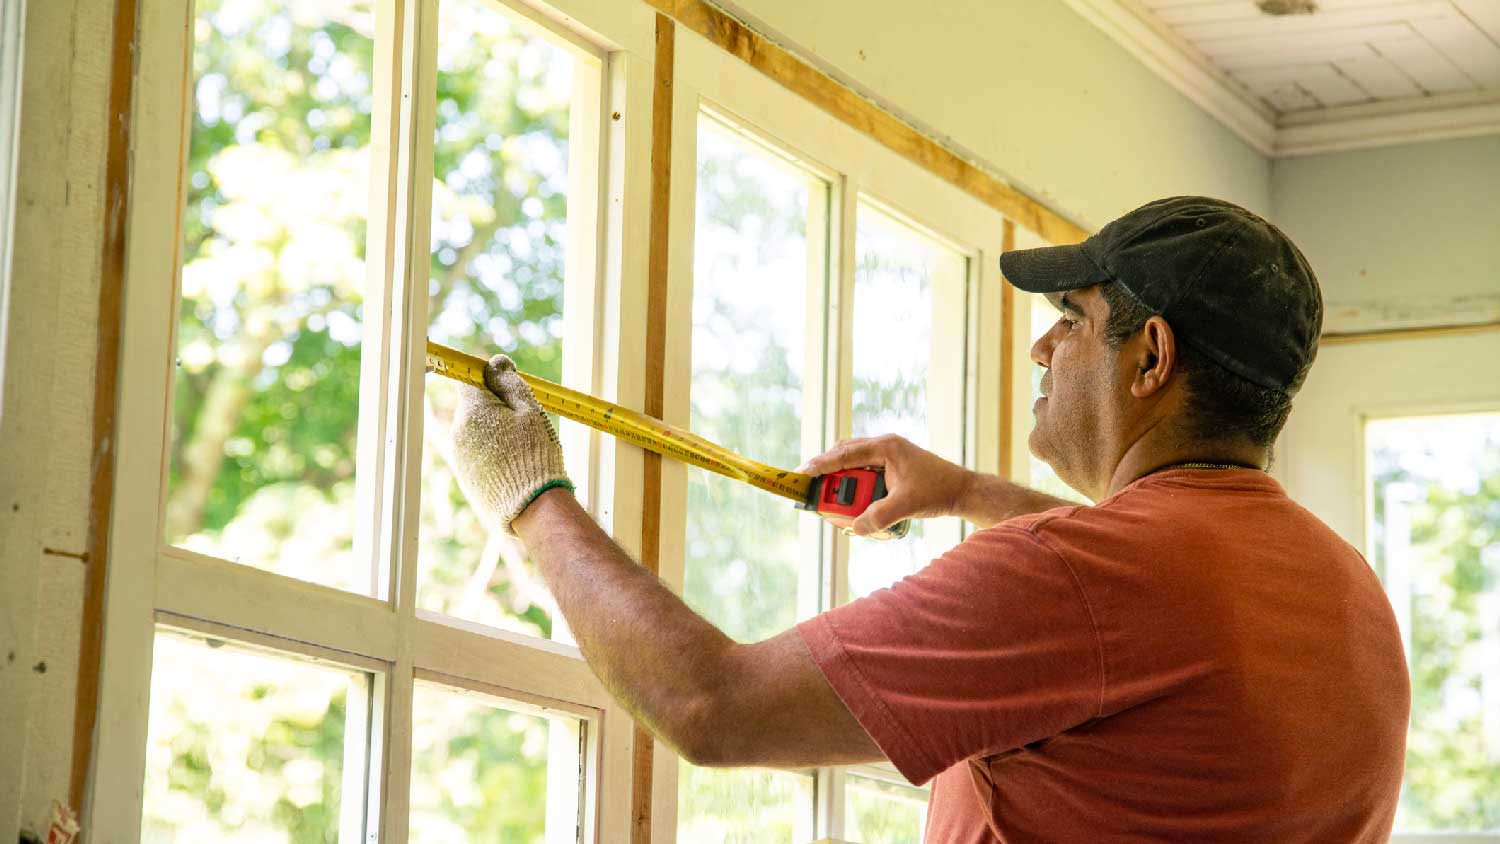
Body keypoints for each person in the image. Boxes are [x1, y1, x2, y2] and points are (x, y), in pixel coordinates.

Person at [452, 196, 1410, 843]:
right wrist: (966, 495)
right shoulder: (1340, 585)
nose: (1042, 346)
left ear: (1150, 357)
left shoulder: (1085, 577)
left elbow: (716, 708)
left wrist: (529, 496)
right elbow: (1149, 598)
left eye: (1071, 318)